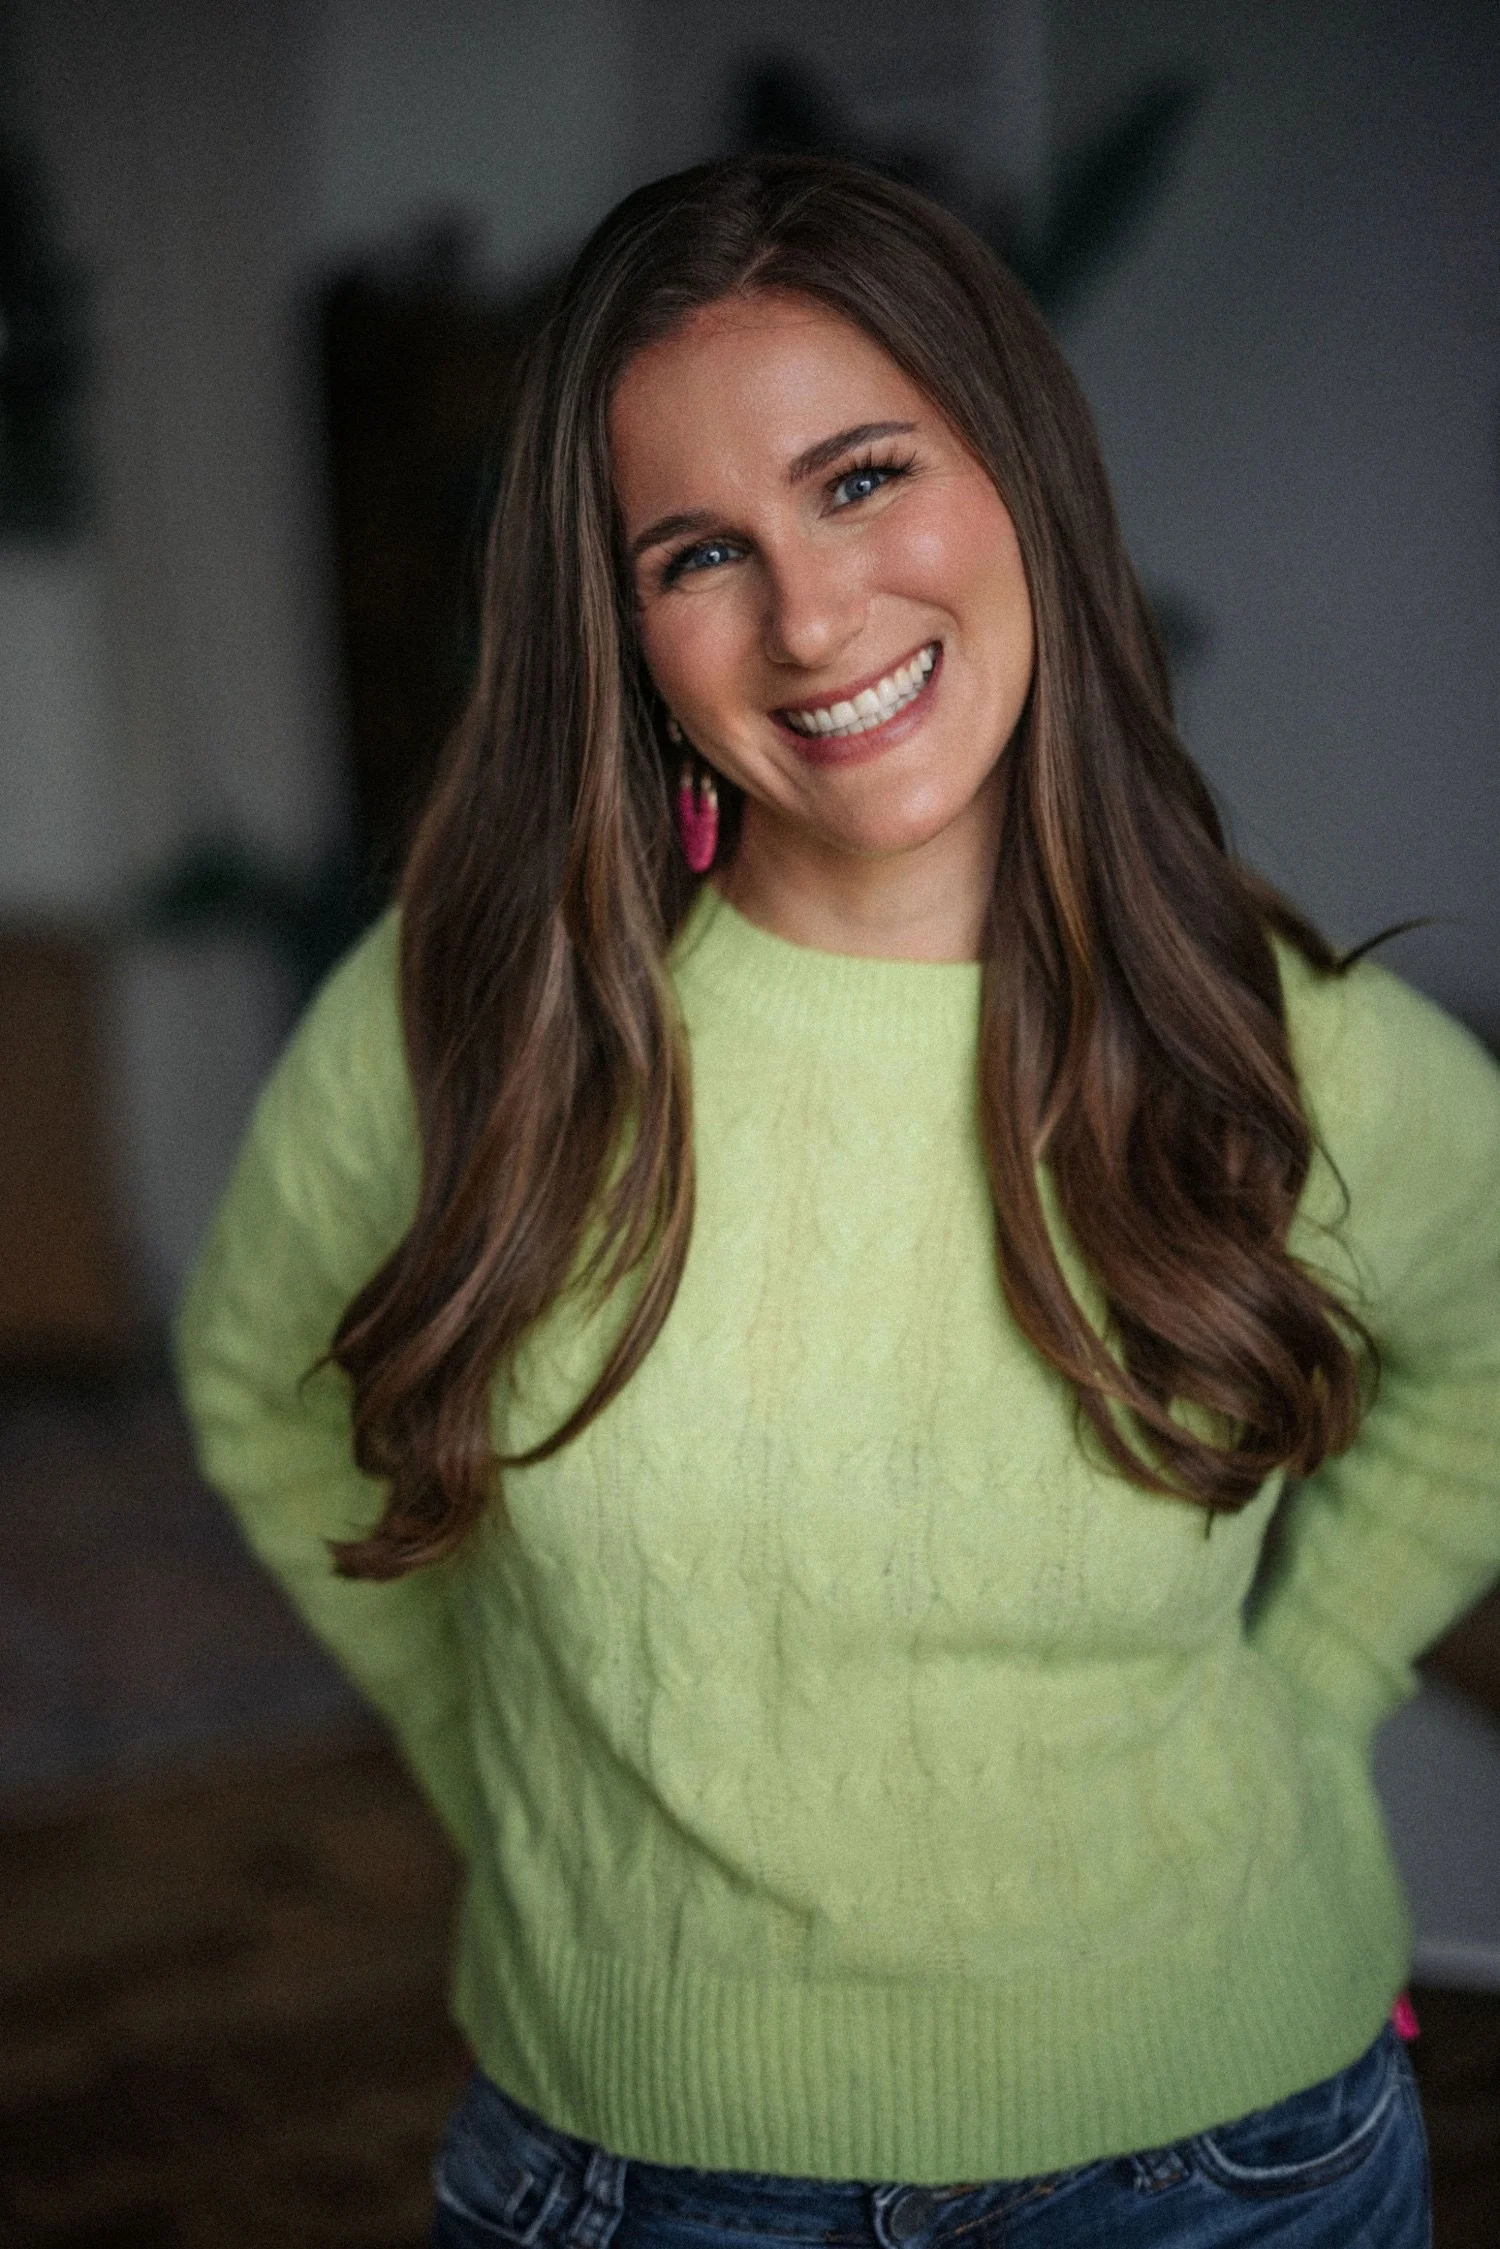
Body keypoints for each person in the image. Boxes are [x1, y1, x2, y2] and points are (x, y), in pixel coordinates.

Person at [176, 156, 1500, 2247]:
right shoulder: (477, 1010)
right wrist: (516, 1770)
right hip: (628, 2170)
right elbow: (259, 1376)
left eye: (864, 477)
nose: (811, 617)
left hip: (1229, 2161)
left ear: (1022, 474)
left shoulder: (1279, 1045)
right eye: (699, 550)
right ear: (622, 629)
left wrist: (1308, 1678)